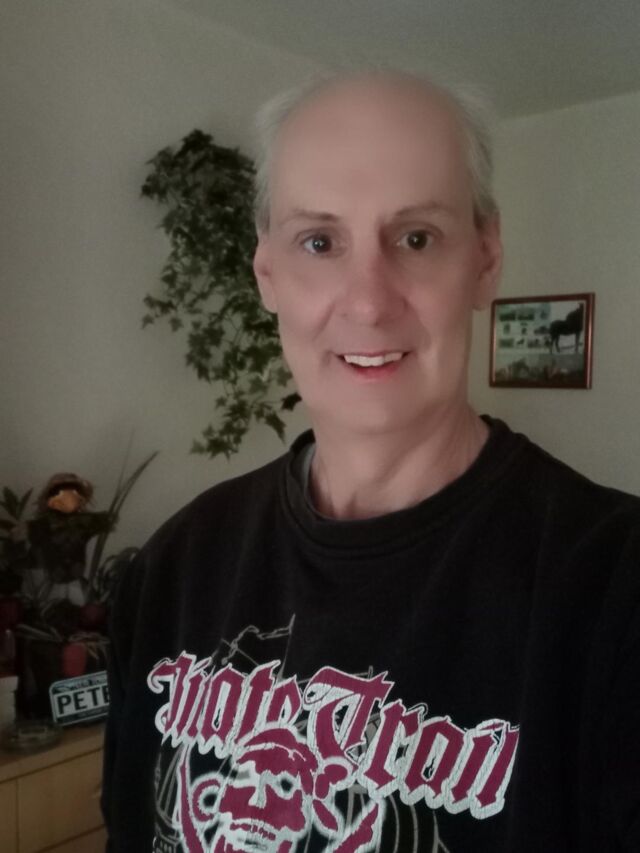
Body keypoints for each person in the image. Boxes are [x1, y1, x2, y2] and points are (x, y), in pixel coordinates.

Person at [102, 71, 640, 852]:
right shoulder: (175, 567)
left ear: (485, 258)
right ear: (267, 273)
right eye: (320, 242)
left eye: (416, 238)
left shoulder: (615, 587)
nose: (368, 300)